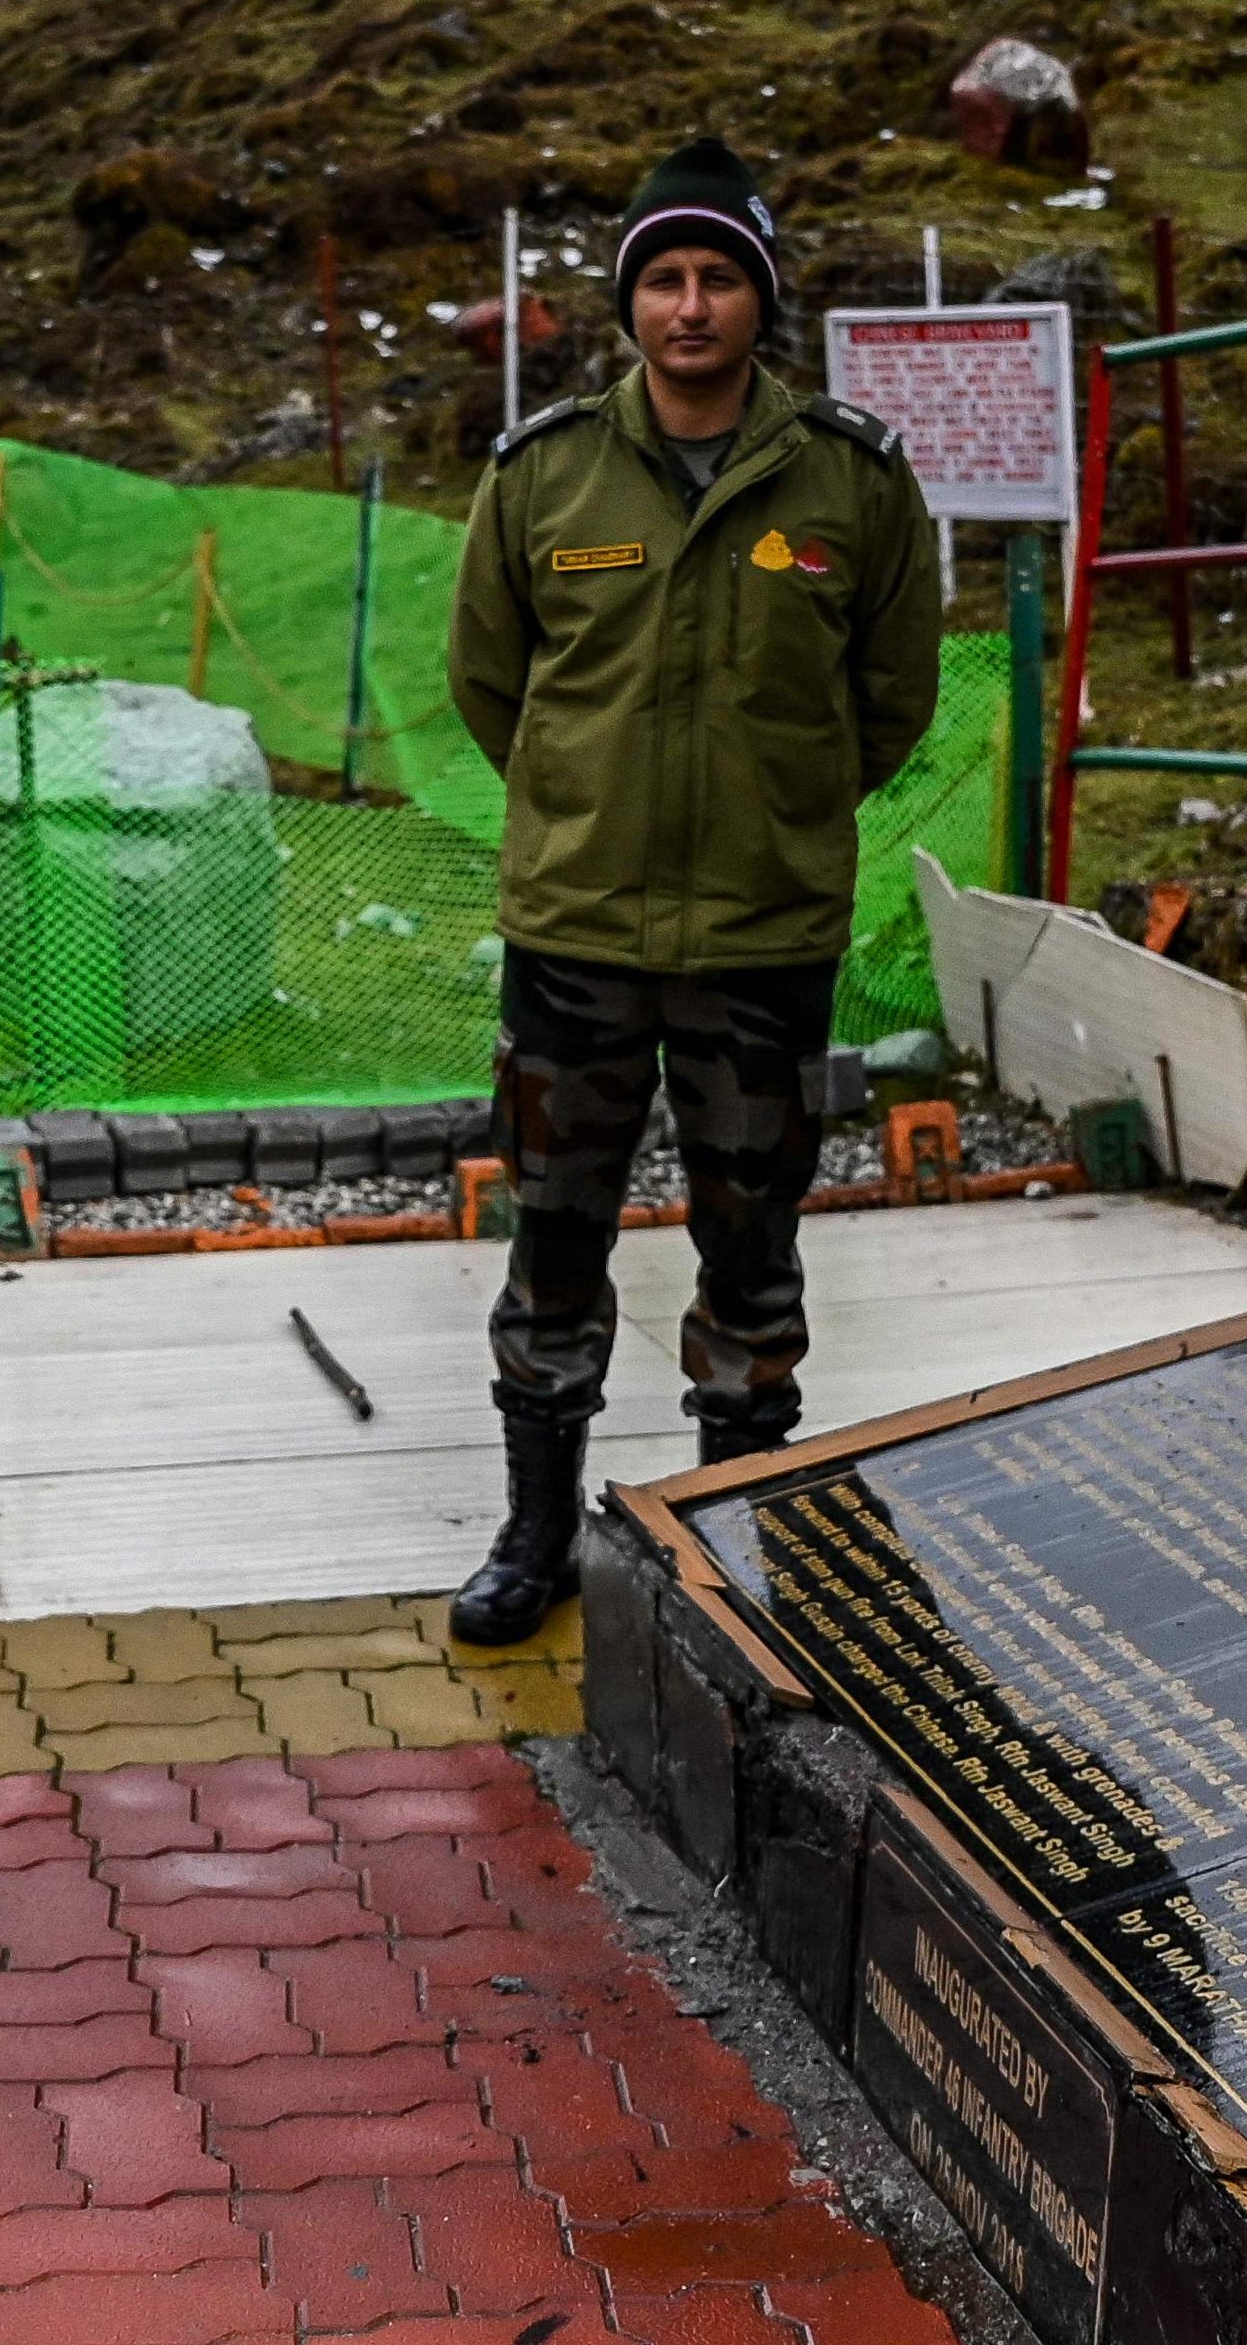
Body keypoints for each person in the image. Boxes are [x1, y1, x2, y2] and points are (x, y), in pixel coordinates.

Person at [440, 138, 940, 1641]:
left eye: (720, 275)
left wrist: (773, 814)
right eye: (665, 276)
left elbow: (894, 693)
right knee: (555, 1239)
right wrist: (585, 810)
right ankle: (537, 1538)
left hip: (760, 942)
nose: (691, 305)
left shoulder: (851, 481)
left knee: (753, 1249)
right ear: (629, 304)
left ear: (760, 300)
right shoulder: (545, 475)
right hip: (576, 937)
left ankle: (738, 1541)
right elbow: (489, 683)